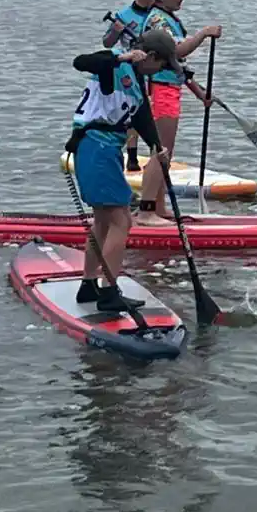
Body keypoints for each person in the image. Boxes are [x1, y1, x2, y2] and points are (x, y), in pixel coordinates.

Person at [64, 30, 179, 312]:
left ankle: (89, 285)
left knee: (104, 221)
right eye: (162, 65)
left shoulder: (137, 83)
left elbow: (142, 118)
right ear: (150, 57)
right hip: (95, 148)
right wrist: (122, 55)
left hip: (103, 151)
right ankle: (109, 292)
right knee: (122, 221)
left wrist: (157, 146)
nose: (161, 72)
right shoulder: (112, 67)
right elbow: (81, 61)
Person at [137, 0, 221, 217]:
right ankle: (146, 212)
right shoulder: (157, 20)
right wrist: (203, 34)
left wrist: (199, 92)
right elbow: (176, 49)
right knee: (160, 150)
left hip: (170, 89)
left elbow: (176, 63)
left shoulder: (169, 19)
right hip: (159, 90)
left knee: (166, 152)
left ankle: (160, 208)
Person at [101, 0, 155, 172]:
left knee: (153, 112)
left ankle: (155, 153)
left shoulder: (157, 14)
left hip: (154, 70)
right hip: (130, 70)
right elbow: (107, 43)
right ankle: (132, 157)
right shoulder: (123, 15)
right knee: (134, 111)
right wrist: (115, 30)